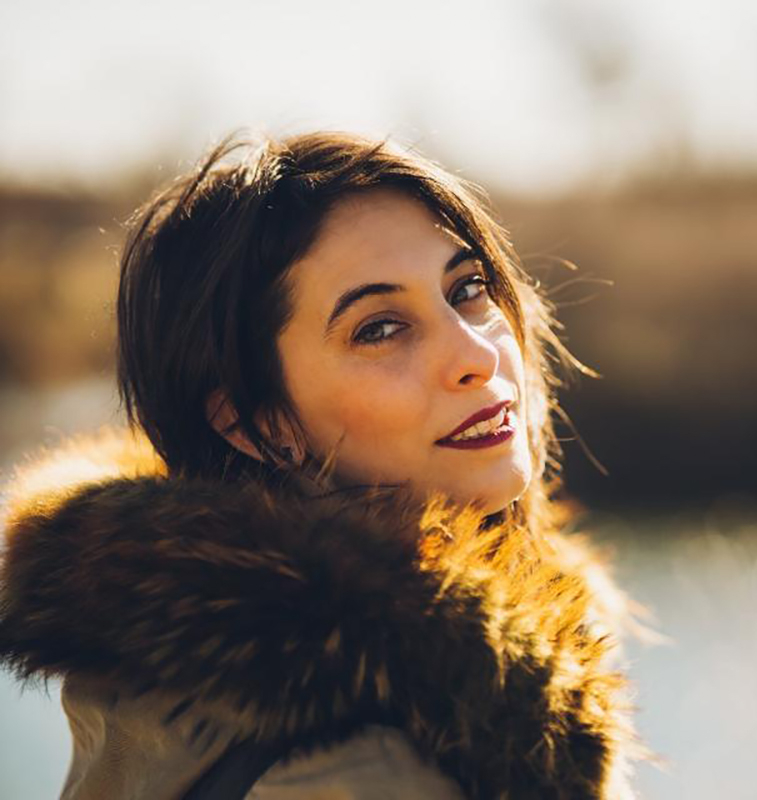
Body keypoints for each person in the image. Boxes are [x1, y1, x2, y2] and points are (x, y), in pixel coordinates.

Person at [0, 132, 645, 798]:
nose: (474, 353)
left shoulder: (182, 702)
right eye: (379, 328)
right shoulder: (361, 772)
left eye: (468, 288)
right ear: (257, 425)